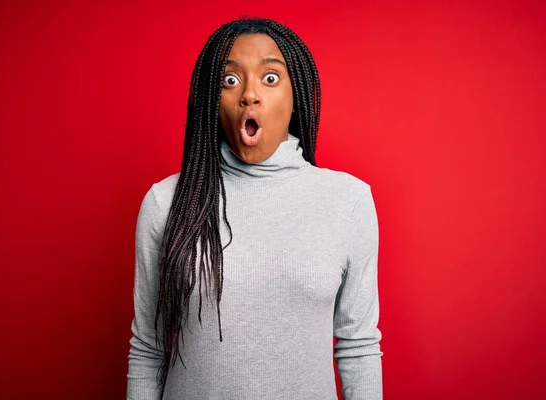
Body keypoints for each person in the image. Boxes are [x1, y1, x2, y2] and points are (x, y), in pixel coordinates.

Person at [127, 17, 383, 400]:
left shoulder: (347, 201)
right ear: (211, 104)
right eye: (229, 81)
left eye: (270, 78)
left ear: (296, 97)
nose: (249, 94)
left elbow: (358, 346)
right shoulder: (166, 202)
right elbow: (149, 348)